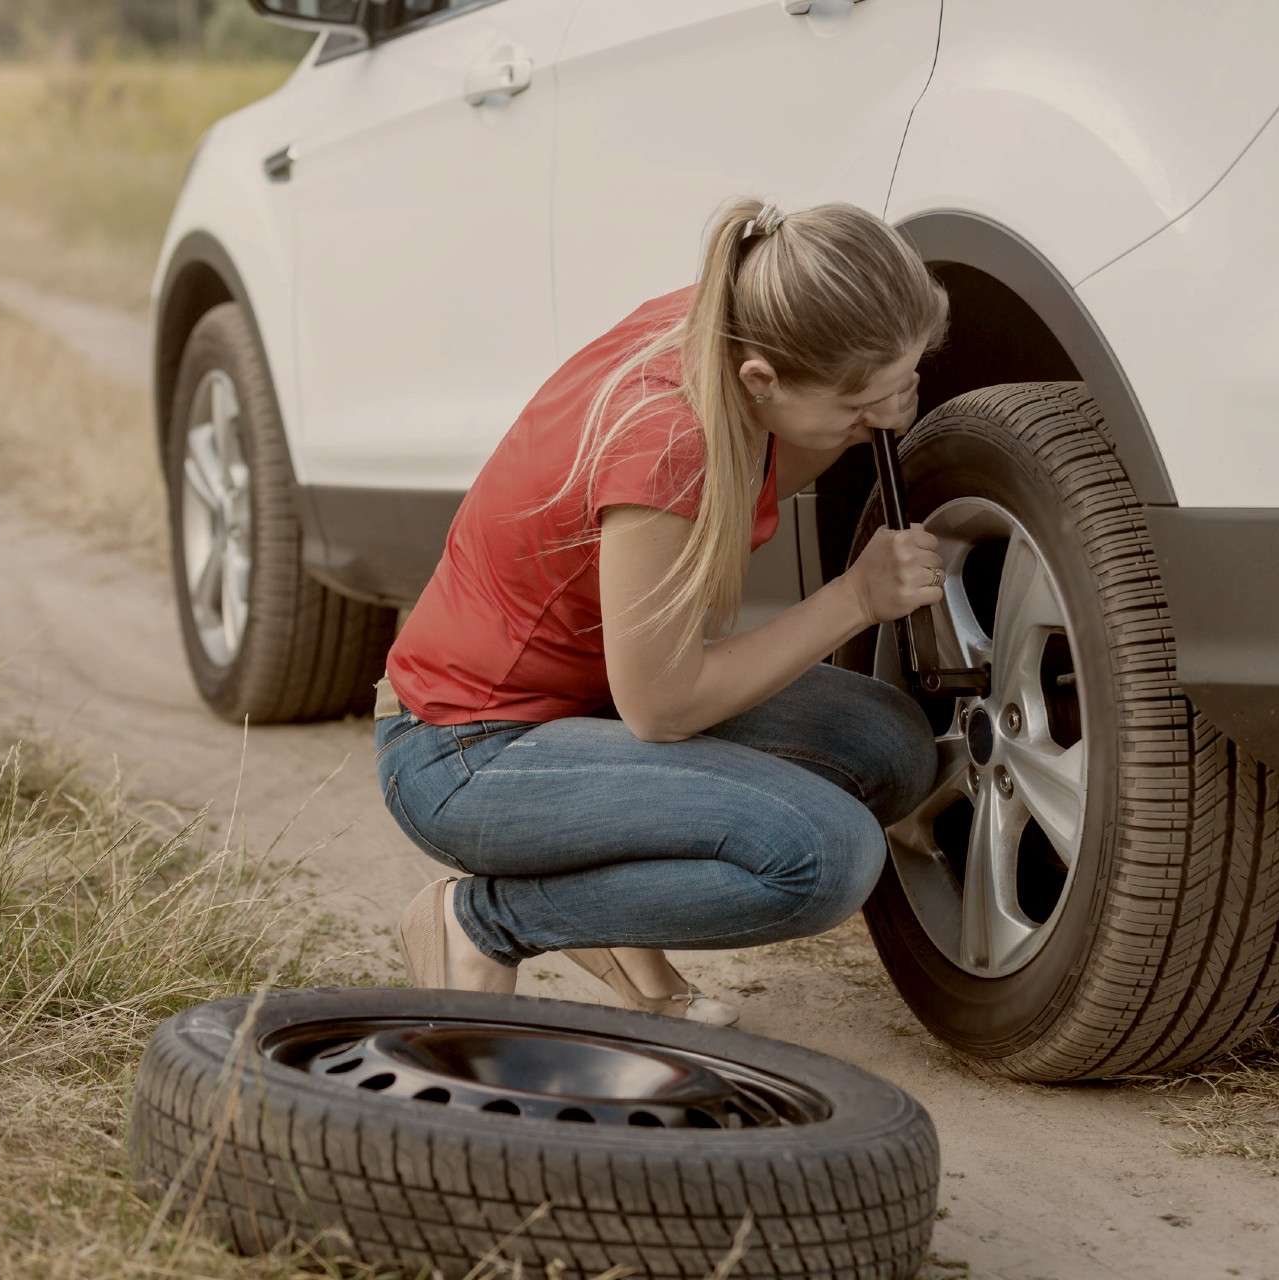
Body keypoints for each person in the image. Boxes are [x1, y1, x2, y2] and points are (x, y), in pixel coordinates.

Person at [374, 197, 948, 1025]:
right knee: (824, 857)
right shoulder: (670, 446)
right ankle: (484, 922)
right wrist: (856, 598)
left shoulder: (736, 317)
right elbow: (663, 707)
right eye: (864, 408)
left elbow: (787, 445)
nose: (888, 419)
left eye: (905, 387)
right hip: (463, 750)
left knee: (890, 749)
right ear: (764, 380)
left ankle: (613, 915)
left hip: (584, 699)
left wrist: (866, 401)